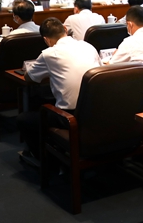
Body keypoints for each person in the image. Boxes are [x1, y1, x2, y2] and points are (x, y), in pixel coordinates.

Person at [17, 17, 101, 164]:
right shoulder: (88, 46)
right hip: (96, 110)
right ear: (65, 30)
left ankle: (44, 160)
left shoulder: (49, 54)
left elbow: (29, 78)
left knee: (24, 119)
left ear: (46, 39)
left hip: (70, 116)